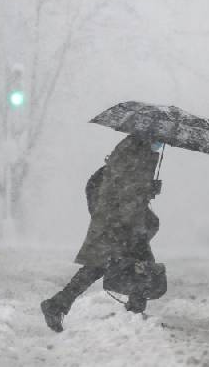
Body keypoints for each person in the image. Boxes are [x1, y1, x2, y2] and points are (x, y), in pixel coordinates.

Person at [40, 134, 162, 332]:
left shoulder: (139, 151)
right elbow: (124, 189)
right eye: (159, 139)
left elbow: (128, 189)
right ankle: (134, 315)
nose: (161, 144)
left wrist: (148, 190)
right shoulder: (132, 151)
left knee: (119, 264)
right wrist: (147, 189)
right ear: (149, 136)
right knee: (123, 263)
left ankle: (58, 304)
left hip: (122, 219)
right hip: (117, 220)